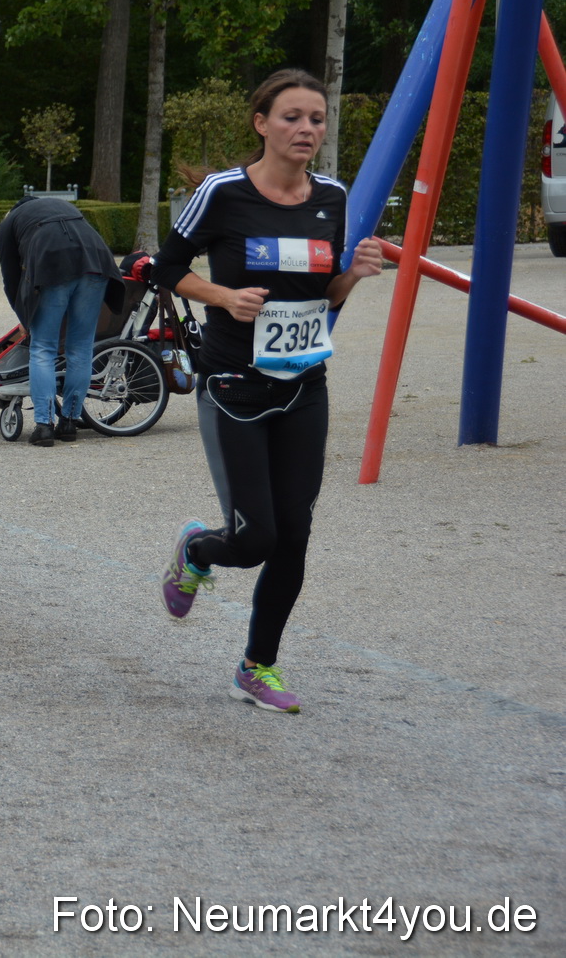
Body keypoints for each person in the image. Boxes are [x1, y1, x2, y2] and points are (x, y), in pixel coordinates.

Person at [152, 69, 384, 715]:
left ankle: (258, 666)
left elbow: (322, 296)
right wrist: (224, 296)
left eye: (316, 118)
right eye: (292, 117)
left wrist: (353, 277)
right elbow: (161, 268)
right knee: (253, 538)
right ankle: (198, 547)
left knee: (295, 534)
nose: (306, 128)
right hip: (232, 384)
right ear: (261, 123)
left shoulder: (332, 197)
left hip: (306, 383)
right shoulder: (224, 193)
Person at [0, 194, 123, 446]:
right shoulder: (62, 205)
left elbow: (11, 279)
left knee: (43, 348)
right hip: (96, 261)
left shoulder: (9, 223)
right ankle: (69, 423)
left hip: (52, 263)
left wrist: (24, 317)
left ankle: (44, 426)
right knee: (81, 348)